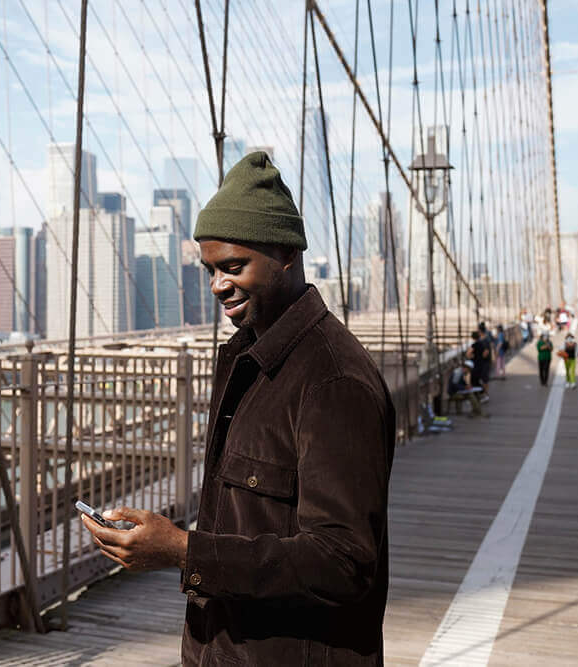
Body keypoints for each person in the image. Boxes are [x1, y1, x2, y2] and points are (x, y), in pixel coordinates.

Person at [80, 152, 396, 665]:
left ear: (287, 254)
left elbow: (344, 562)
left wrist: (183, 551)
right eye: (209, 269)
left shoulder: (334, 382)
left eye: (233, 267)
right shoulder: (248, 360)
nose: (217, 285)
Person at [468, 329, 491, 401]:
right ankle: (484, 395)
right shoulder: (482, 343)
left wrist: (474, 357)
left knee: (474, 381)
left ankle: (479, 396)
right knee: (483, 380)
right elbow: (486, 352)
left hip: (477, 365)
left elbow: (468, 354)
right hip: (483, 364)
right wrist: (482, 357)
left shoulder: (474, 345)